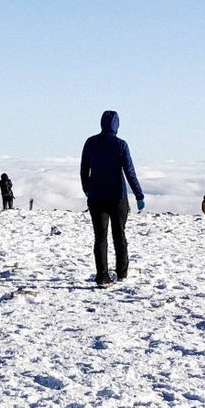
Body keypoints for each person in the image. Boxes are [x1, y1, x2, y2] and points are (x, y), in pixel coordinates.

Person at [80, 110, 144, 287]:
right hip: (118, 198)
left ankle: (102, 276)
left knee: (100, 237)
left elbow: (84, 170)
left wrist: (87, 190)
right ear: (117, 125)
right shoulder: (121, 145)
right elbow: (129, 172)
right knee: (119, 235)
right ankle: (122, 272)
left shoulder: (91, 143)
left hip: (96, 198)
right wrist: (139, 195)